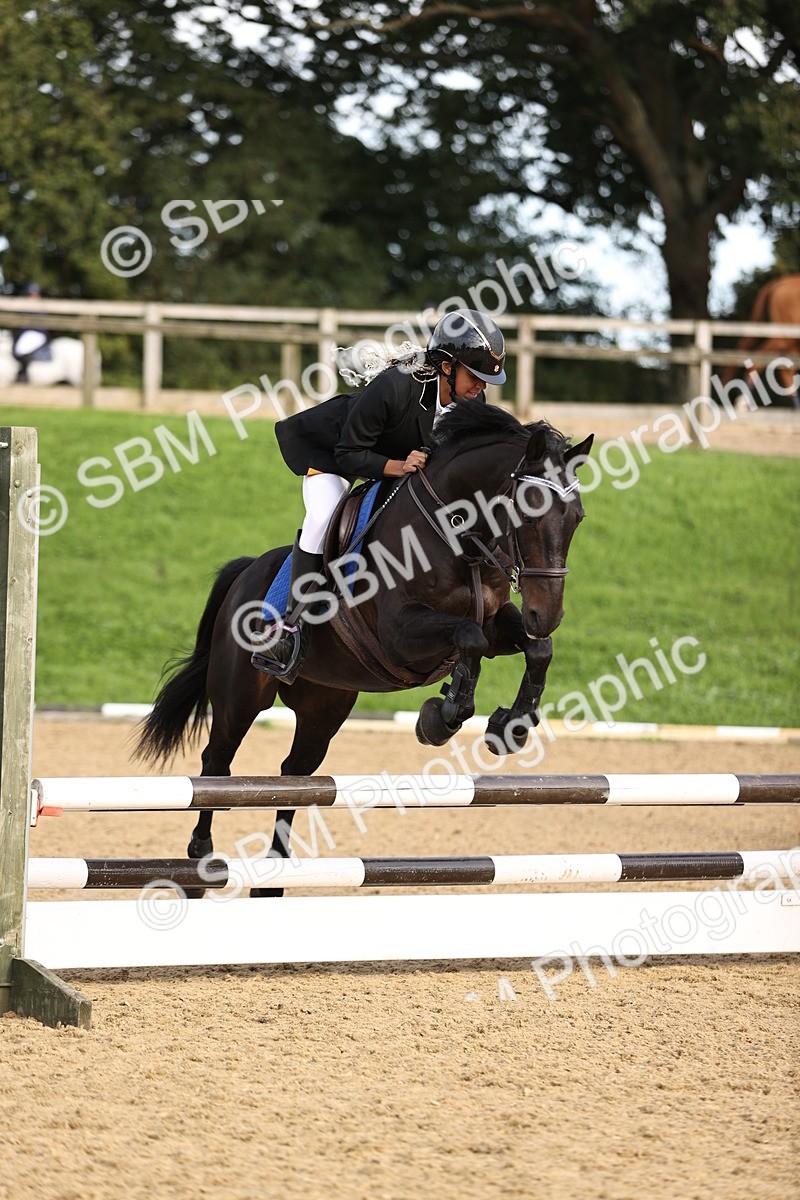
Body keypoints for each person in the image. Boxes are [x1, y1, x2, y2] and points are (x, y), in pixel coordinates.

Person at [252, 308, 507, 679]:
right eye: (476, 377)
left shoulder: (471, 404)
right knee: (324, 517)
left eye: (487, 381)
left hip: (396, 467)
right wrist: (399, 465)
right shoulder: (396, 386)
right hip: (336, 455)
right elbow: (348, 454)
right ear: (448, 366)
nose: (482, 387)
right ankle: (283, 625)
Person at [11, 282, 51, 382]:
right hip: (27, 333)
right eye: (31, 294)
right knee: (18, 347)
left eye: (35, 294)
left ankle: (24, 373)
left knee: (24, 347)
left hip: (37, 334)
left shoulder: (41, 308)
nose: (34, 296)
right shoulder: (24, 308)